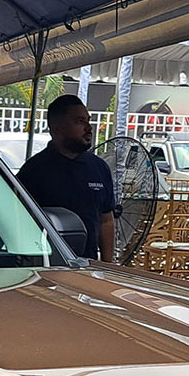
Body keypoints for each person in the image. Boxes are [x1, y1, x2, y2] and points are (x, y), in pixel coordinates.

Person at [17, 95, 115, 262]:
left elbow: (106, 221)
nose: (89, 128)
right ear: (57, 128)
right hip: (47, 267)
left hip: (88, 267)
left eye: (88, 121)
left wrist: (108, 265)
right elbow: (20, 222)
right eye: (79, 121)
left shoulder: (99, 168)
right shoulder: (33, 171)